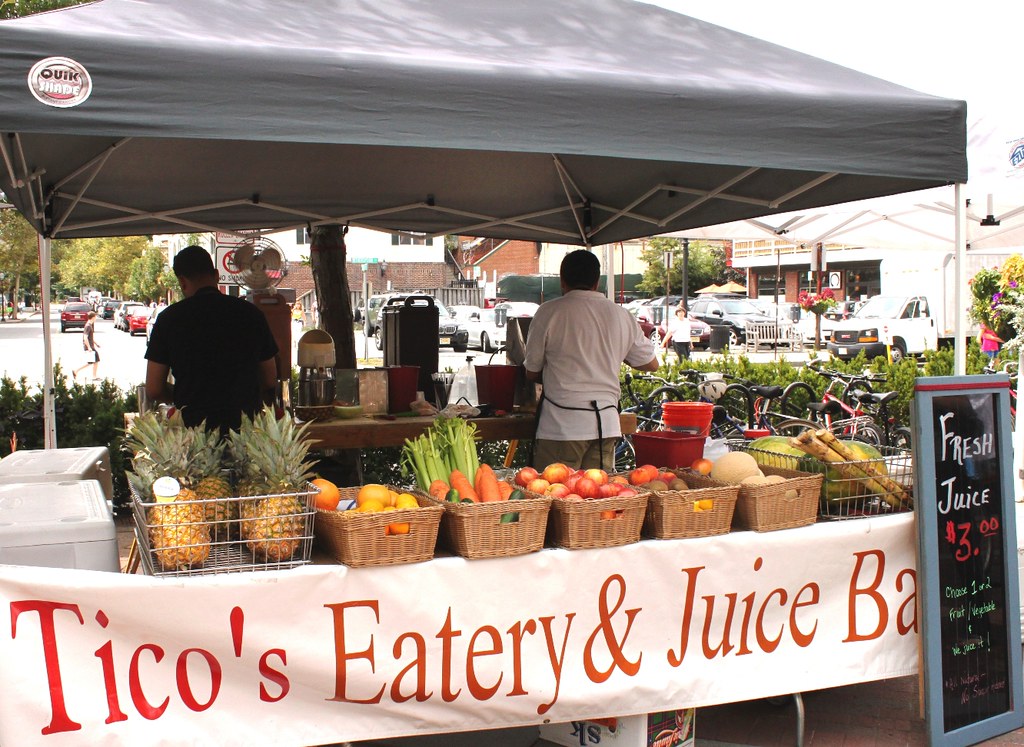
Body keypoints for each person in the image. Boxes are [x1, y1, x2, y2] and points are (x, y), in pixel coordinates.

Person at [524, 249, 658, 471]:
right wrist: (611, 354)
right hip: (605, 426)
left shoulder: (549, 312)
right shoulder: (621, 315)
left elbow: (531, 371)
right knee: (596, 502)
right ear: (597, 281)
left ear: (562, 281)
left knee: (556, 500)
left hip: (561, 427)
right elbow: (651, 364)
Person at [145, 245, 279, 432]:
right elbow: (270, 379)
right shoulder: (251, 313)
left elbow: (153, 388)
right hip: (245, 431)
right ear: (216, 275)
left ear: (182, 282)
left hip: (194, 431)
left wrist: (186, 396)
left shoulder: (169, 319)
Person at [73, 311, 100, 381]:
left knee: (93, 361)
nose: (96, 318)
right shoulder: (88, 326)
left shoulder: (90, 325)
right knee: (93, 361)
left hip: (91, 346)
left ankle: (76, 371)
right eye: (95, 317)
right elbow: (85, 337)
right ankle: (77, 371)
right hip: (89, 347)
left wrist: (96, 343)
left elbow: (90, 337)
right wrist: (89, 347)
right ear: (93, 317)